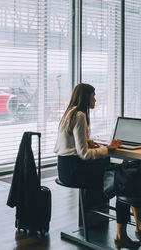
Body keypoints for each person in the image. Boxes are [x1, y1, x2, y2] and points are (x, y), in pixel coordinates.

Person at [54, 83, 141, 249]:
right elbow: (84, 155)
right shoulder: (80, 115)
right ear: (86, 97)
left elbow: (72, 145)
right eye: (94, 96)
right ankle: (123, 235)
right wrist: (108, 148)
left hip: (65, 168)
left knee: (118, 172)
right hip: (75, 171)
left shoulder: (69, 113)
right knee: (122, 181)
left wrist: (87, 142)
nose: (96, 99)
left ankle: (133, 228)